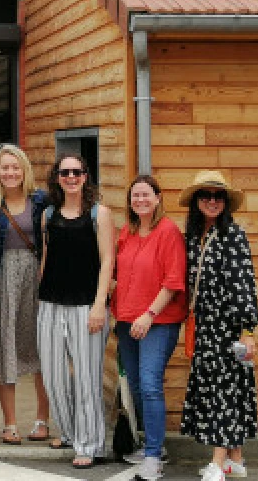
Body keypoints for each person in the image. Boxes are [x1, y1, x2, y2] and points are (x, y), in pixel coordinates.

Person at [178, 171, 258, 481]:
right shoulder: (194, 237)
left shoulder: (233, 236)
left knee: (226, 391)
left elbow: (244, 286)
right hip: (204, 329)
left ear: (226, 203)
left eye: (218, 196)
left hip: (230, 330)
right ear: (196, 201)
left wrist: (248, 332)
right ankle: (234, 460)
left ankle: (216, 463)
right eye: (206, 195)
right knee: (224, 391)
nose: (212, 201)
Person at [36, 153, 115, 469]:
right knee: (54, 378)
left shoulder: (100, 214)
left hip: (86, 306)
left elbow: (108, 260)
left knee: (86, 378)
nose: (70, 177)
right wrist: (39, 299)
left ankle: (89, 443)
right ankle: (70, 432)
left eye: (76, 172)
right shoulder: (48, 215)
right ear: (57, 177)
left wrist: (99, 305)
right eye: (64, 172)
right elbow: (45, 257)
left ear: (85, 176)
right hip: (50, 304)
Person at [112, 174, 187, 481]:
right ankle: (152, 445)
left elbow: (173, 280)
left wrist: (149, 314)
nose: (140, 200)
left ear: (158, 198)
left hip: (158, 321)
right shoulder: (128, 232)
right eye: (135, 196)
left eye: (146, 195)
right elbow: (118, 271)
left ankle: (154, 457)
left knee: (150, 383)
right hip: (127, 319)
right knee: (137, 386)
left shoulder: (168, 231)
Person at [0, 143, 51, 446]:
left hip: (37, 276)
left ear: (24, 170)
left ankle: (42, 420)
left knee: (41, 349)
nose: (10, 173)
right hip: (1, 278)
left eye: (15, 167)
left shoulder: (41, 200)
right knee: (4, 348)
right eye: (4, 167)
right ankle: (10, 424)